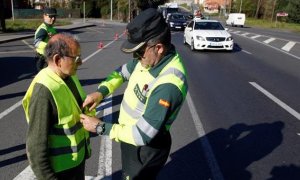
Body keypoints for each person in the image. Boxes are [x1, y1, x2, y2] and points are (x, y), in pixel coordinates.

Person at [80, 8, 188, 180]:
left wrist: (99, 127)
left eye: (139, 52)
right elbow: (121, 73)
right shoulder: (147, 60)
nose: (136, 58)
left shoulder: (169, 84)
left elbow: (141, 135)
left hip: (145, 148)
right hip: (128, 137)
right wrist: (101, 93)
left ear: (158, 47)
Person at [22, 33, 94, 180]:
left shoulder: (69, 75)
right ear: (57, 59)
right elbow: (36, 149)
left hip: (76, 163)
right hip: (61, 171)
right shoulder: (44, 91)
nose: (81, 62)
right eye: (76, 58)